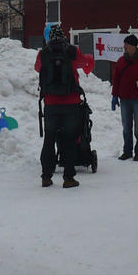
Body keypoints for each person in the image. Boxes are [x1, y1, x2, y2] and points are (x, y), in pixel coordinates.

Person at [35, 24, 88, 188]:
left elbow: (38, 68)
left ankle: (46, 177)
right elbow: (83, 63)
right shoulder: (73, 51)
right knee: (70, 141)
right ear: (64, 36)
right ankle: (68, 178)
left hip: (51, 103)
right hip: (70, 103)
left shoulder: (42, 54)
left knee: (49, 140)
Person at [111, 34, 138, 161]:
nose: (124, 47)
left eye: (127, 44)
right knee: (126, 127)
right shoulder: (120, 61)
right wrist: (114, 96)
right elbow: (116, 79)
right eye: (124, 44)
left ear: (133, 46)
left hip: (137, 99)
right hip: (124, 99)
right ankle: (127, 151)